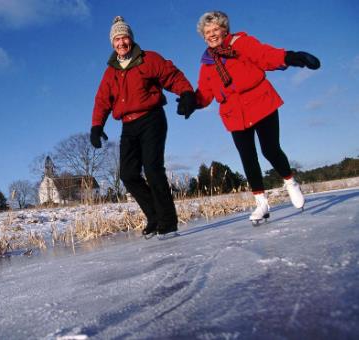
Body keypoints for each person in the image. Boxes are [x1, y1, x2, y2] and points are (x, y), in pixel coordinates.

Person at [177, 10, 320, 223]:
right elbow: (205, 93)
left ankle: (290, 182)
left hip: (261, 103)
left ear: (225, 29)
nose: (212, 34)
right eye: (208, 32)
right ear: (203, 36)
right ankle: (261, 203)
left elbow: (265, 55)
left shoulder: (241, 44)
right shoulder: (207, 63)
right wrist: (192, 102)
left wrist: (290, 57)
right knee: (248, 158)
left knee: (270, 149)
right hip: (234, 114)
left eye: (216, 29)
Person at [91, 16, 196, 236]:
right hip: (128, 126)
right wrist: (97, 126)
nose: (121, 43)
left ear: (131, 39)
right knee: (128, 174)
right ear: (112, 43)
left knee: (152, 168)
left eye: (125, 37)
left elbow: (172, 76)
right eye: (117, 39)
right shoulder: (111, 71)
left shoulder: (149, 59)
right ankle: (155, 216)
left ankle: (168, 222)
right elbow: (102, 100)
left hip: (152, 118)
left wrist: (186, 93)